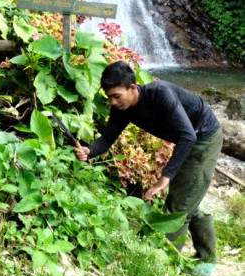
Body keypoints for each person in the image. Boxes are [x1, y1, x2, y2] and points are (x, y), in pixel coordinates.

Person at [74, 61, 222, 265]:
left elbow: (188, 136)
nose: (114, 102)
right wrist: (89, 151)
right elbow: (107, 139)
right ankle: (207, 261)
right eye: (109, 97)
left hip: (203, 136)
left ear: (132, 88)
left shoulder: (159, 93)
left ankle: (166, 266)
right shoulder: (121, 109)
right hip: (186, 138)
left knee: (177, 207)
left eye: (117, 96)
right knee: (188, 198)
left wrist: (165, 177)